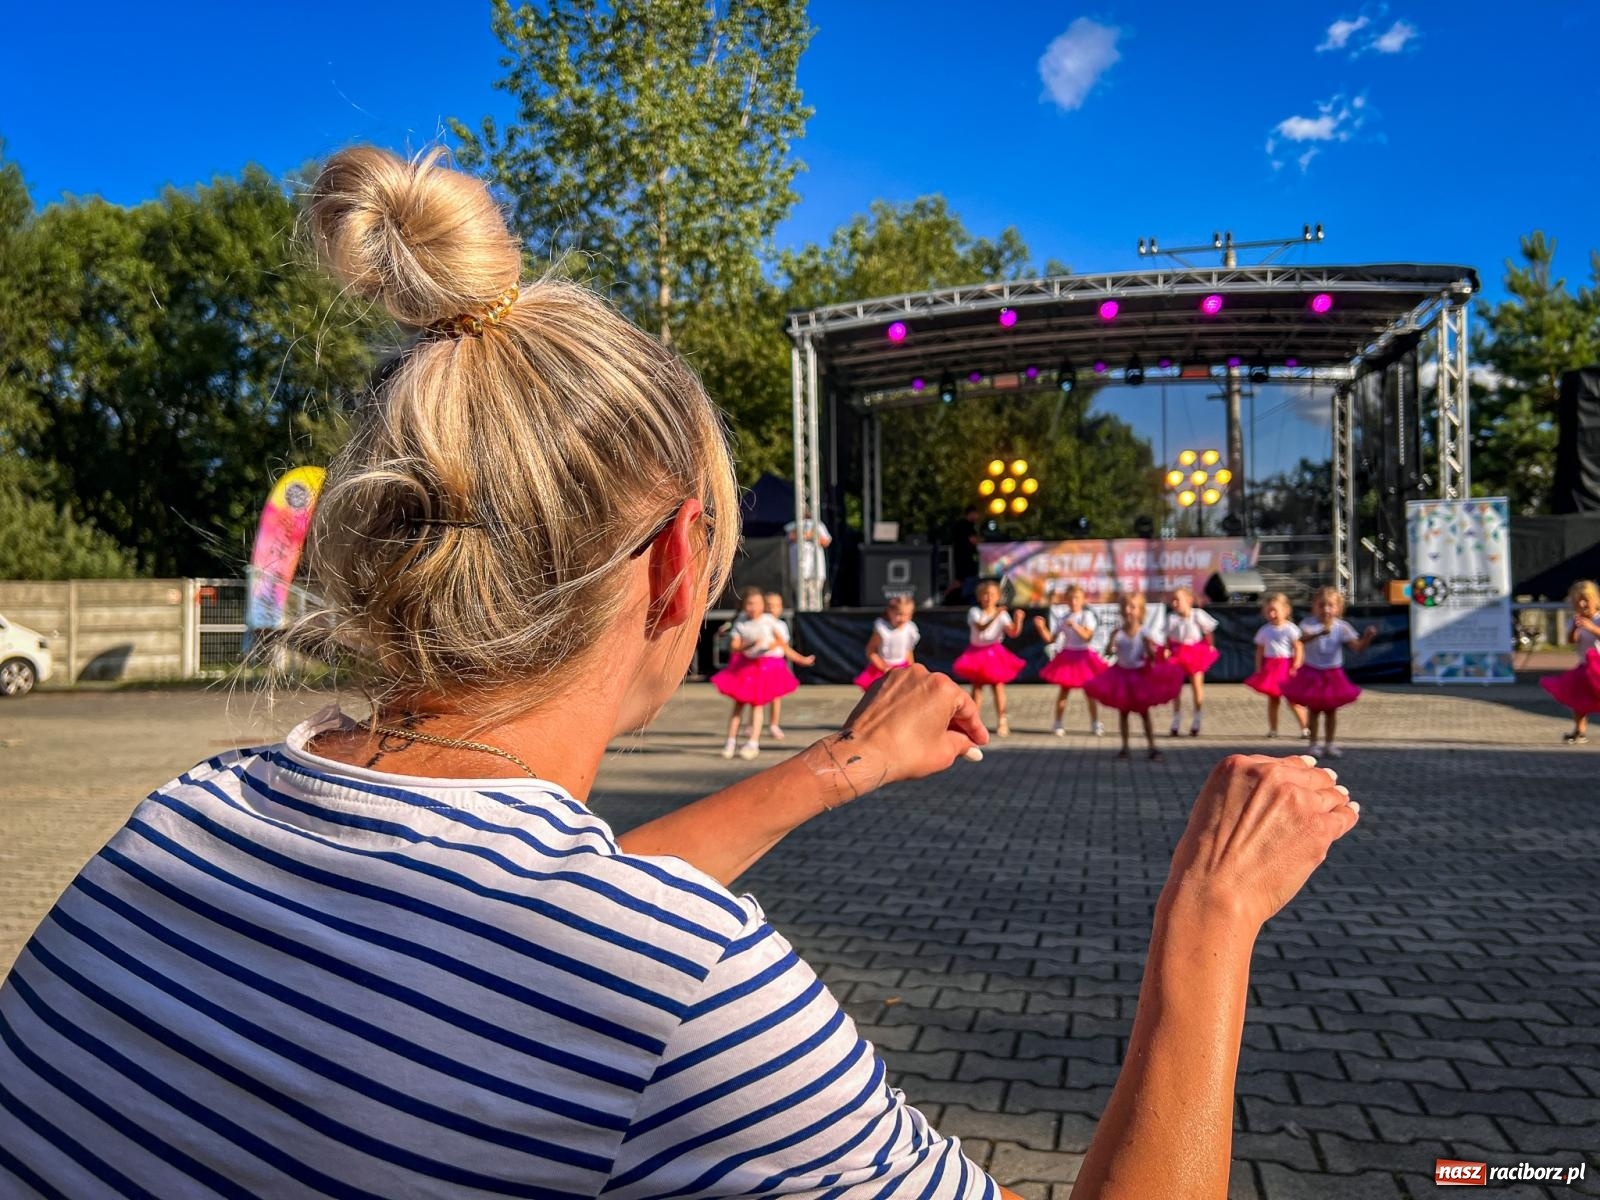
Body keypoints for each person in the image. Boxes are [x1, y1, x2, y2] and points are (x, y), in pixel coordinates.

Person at [0, 145, 1363, 1200]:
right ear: (671, 568)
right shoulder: (681, 991)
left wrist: (835, 768)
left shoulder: (183, 821)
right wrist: (1209, 919)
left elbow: (552, 917)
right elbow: (608, 948)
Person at [1085, 591, 1187, 761]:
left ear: (1140, 610)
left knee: (1144, 713)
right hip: (1121, 676)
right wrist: (1111, 640)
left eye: (1132, 607)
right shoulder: (1118, 632)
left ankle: (1152, 746)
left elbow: (1152, 658)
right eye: (1125, 606)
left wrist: (1149, 648)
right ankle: (1125, 747)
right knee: (1123, 713)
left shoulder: (1144, 631)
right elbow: (1109, 652)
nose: (1128, 610)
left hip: (1139, 677)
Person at [1281, 585, 1376, 759]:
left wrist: (1368, 637)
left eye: (1330, 605)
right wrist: (1318, 633)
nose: (1326, 609)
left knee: (1331, 711)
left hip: (1333, 673)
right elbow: (1300, 640)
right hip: (1312, 671)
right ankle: (1313, 744)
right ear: (1314, 606)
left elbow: (1357, 647)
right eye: (1321, 605)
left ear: (1338, 608)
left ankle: (1330, 743)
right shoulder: (1308, 623)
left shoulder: (1342, 627)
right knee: (1314, 710)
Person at [710, 588, 798, 759]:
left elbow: (782, 643)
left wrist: (798, 658)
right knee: (739, 706)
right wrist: (749, 646)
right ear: (744, 606)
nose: (753, 607)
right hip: (745, 668)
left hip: (764, 667)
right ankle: (730, 741)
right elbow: (734, 646)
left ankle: (753, 742)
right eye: (749, 604)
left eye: (757, 604)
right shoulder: (741, 622)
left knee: (759, 704)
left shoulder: (769, 621)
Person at [952, 579, 1026, 736]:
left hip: (995, 653)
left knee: (998, 687)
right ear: (979, 597)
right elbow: (980, 627)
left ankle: (1002, 721)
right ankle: (973, 722)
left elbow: (1013, 632)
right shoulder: (974, 612)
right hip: (976, 654)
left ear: (998, 596)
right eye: (985, 595)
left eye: (992, 594)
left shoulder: (1003, 614)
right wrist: (995, 616)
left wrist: (1018, 621)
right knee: (977, 689)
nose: (988, 598)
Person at [1034, 582, 1108, 736]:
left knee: (1090, 693)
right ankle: (1058, 723)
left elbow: (1087, 637)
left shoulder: (1086, 616)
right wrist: (1041, 628)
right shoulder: (1063, 618)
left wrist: (1075, 626)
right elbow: (1050, 639)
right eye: (1070, 598)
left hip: (1084, 657)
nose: (1073, 601)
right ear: (1066, 600)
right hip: (1068, 656)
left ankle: (1095, 723)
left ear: (1082, 600)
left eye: (1077, 598)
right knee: (1064, 691)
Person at [1538, 579, 1600, 744]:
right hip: (1585, 667)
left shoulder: (1598, 619)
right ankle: (1580, 731)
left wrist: (1592, 628)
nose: (1582, 603)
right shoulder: (1575, 620)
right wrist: (1576, 628)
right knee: (1578, 699)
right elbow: (1571, 640)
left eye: (1585, 599)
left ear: (1595, 600)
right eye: (1578, 600)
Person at [1243, 592, 1310, 739]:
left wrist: (1297, 665)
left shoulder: (1291, 629)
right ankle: (1273, 729)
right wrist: (1258, 667)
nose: (1272, 614)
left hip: (1286, 666)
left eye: (1275, 610)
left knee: (1293, 700)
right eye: (1269, 611)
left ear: (1286, 610)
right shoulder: (1264, 630)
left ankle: (1305, 728)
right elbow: (1260, 650)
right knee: (1273, 700)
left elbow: (1298, 647)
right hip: (1271, 667)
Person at [760, 591, 815, 742]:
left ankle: (773, 724)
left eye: (776, 605)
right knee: (756, 697)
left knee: (776, 697)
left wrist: (800, 659)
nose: (772, 608)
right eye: (769, 605)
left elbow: (784, 647)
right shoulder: (760, 622)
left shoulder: (781, 625)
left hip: (775, 664)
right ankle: (754, 724)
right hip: (759, 664)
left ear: (781, 608)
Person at [1165, 587, 1220, 737]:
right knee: (1175, 688)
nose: (1175, 604)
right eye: (1173, 601)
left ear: (1189, 600)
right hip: (1177, 654)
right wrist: (1167, 649)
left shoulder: (1197, 615)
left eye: (1178, 600)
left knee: (1197, 685)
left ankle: (1197, 718)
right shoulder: (1171, 618)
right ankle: (1176, 719)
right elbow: (1168, 638)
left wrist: (1210, 646)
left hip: (1195, 652)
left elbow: (1208, 630)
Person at [855, 595, 921, 689]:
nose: (903, 618)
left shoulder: (910, 629)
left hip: (901, 668)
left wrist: (911, 669)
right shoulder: (882, 630)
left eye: (907, 615)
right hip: (883, 669)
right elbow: (870, 651)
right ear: (890, 612)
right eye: (899, 614)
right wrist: (883, 667)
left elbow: (908, 651)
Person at [784, 507, 831, 602]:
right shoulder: (792, 526)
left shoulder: (818, 525)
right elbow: (788, 539)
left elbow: (826, 541)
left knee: (814, 597)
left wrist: (811, 535)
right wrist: (802, 535)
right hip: (797, 568)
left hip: (815, 569)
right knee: (800, 597)